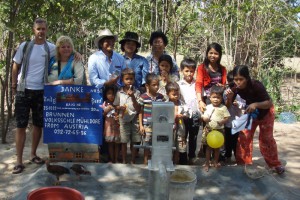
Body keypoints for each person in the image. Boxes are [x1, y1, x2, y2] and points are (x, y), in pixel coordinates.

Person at [11, 18, 56, 174]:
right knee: (21, 125)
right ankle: (18, 161)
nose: (41, 32)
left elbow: (66, 50)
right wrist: (13, 86)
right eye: (38, 29)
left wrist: (76, 53)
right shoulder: (25, 46)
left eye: (43, 29)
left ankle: (33, 154)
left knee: (38, 124)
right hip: (24, 90)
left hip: (41, 91)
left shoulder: (50, 48)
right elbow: (16, 65)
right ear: (33, 30)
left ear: (46, 30)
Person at [226, 65, 285, 174]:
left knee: (266, 139)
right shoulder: (234, 88)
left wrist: (256, 104)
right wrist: (229, 98)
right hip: (251, 113)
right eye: (236, 79)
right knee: (244, 137)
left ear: (247, 78)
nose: (238, 82)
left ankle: (275, 164)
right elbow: (228, 105)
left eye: (241, 79)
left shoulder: (256, 85)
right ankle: (243, 164)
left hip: (266, 112)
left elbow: (269, 103)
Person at [195, 42, 227, 157]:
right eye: (211, 53)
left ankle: (217, 152)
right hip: (207, 101)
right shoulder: (201, 68)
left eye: (216, 53)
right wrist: (200, 101)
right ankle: (204, 150)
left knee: (218, 126)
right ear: (207, 53)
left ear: (220, 55)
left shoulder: (223, 69)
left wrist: (222, 87)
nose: (213, 55)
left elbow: (224, 85)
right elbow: (198, 84)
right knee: (207, 125)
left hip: (219, 101)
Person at [113, 68, 141, 164]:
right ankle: (124, 160)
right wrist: (119, 108)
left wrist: (133, 96)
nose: (129, 81)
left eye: (131, 79)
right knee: (124, 141)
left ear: (134, 80)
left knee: (134, 141)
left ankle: (133, 160)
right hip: (123, 119)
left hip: (135, 119)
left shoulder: (137, 93)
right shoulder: (119, 93)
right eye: (127, 79)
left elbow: (138, 108)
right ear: (122, 80)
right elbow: (115, 105)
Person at [138, 73, 165, 164]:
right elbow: (140, 111)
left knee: (157, 142)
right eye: (154, 85)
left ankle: (155, 160)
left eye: (157, 85)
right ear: (147, 85)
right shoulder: (143, 97)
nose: (156, 87)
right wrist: (141, 125)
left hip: (158, 125)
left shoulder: (161, 97)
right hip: (147, 124)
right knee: (147, 142)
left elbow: (164, 109)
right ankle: (145, 161)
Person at [177, 58, 201, 164]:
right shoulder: (178, 84)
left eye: (192, 71)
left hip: (195, 114)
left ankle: (192, 156)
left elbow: (200, 98)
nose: (189, 73)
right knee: (182, 136)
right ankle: (182, 158)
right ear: (181, 70)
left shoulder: (198, 84)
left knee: (193, 137)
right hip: (183, 115)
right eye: (186, 71)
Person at [201, 85, 230, 172]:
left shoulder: (223, 108)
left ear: (221, 98)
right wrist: (205, 118)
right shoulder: (208, 107)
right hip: (209, 130)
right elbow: (204, 116)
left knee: (217, 148)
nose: (216, 99)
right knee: (208, 148)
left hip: (219, 131)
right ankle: (207, 162)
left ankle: (215, 162)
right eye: (214, 97)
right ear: (210, 97)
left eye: (218, 97)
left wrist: (222, 122)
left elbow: (227, 117)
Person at [224, 71, 246, 163]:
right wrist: (229, 98)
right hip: (229, 121)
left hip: (238, 121)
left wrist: (239, 104)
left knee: (237, 142)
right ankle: (228, 156)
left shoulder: (242, 92)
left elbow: (245, 105)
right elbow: (226, 106)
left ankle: (238, 158)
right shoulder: (226, 92)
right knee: (228, 141)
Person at [165, 82, 188, 165]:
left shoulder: (182, 103)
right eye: (174, 94)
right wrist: (174, 116)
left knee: (178, 145)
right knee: (169, 145)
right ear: (168, 94)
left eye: (177, 94)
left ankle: (176, 163)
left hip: (180, 128)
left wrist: (183, 116)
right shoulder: (165, 104)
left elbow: (187, 114)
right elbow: (164, 117)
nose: (176, 96)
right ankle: (168, 163)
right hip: (169, 128)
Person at [102, 85, 120, 163]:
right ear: (106, 95)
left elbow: (121, 113)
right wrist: (106, 110)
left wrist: (118, 115)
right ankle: (111, 159)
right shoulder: (105, 103)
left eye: (113, 94)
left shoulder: (118, 104)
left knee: (117, 143)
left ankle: (116, 159)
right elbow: (103, 115)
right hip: (108, 125)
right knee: (110, 143)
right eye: (109, 93)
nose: (111, 95)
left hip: (117, 125)